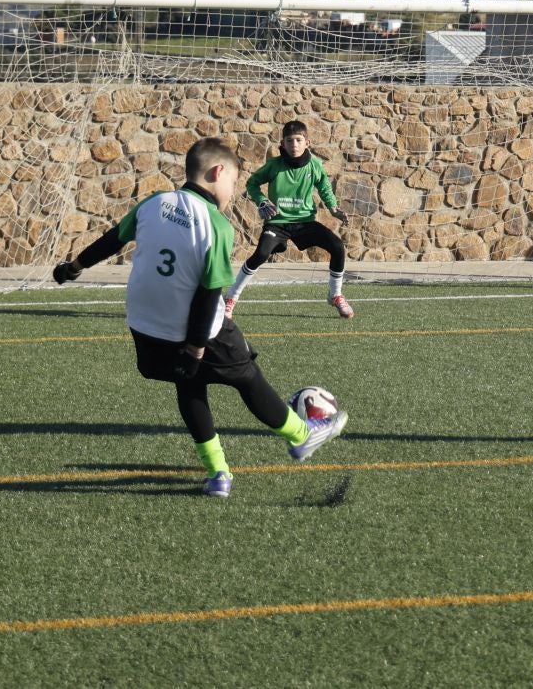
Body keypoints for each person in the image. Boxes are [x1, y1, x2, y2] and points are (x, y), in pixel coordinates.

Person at [51, 136, 347, 499]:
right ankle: (302, 437)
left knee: (189, 385)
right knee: (247, 376)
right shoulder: (217, 225)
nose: (234, 190)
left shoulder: (154, 203)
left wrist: (75, 267)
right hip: (194, 331)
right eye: (234, 182)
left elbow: (112, 239)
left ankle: (218, 474)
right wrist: (195, 349)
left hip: (145, 331)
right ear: (217, 172)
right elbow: (210, 294)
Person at [226, 120, 354, 319]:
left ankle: (335, 294)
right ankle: (231, 298)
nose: (294, 145)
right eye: (289, 140)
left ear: (307, 142)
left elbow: (324, 187)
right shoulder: (274, 166)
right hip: (278, 222)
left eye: (298, 140)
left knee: (337, 246)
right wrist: (261, 201)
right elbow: (252, 183)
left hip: (305, 222)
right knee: (260, 254)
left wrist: (333, 208)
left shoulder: (315, 166)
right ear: (283, 143)